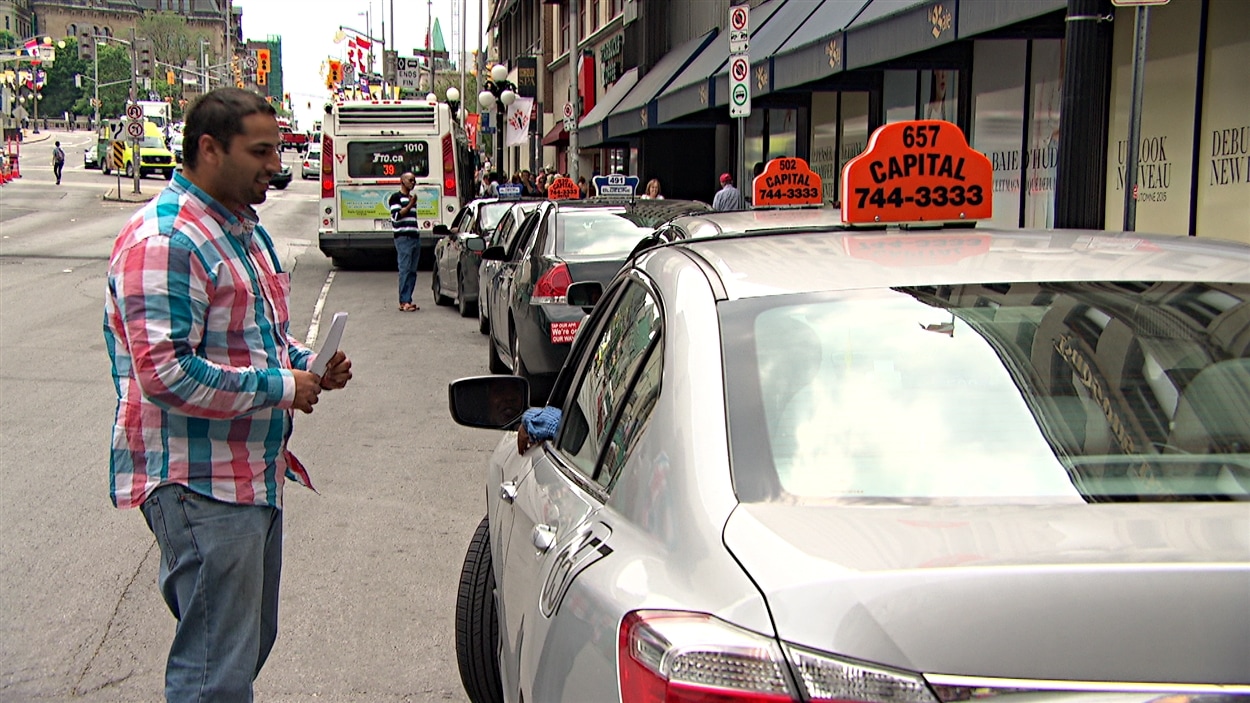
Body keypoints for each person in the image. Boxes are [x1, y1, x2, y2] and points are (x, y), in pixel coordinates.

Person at [103, 87, 354, 701]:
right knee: (215, 667)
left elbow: (254, 337)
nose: (277, 163)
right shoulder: (167, 241)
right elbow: (164, 373)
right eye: (261, 150)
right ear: (209, 149)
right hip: (200, 482)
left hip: (249, 476)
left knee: (240, 649)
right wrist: (281, 387)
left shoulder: (241, 231)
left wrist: (306, 364)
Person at [390, 171, 422, 311]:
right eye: (410, 180)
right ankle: (404, 301)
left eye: (414, 180)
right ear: (402, 181)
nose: (413, 182)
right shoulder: (396, 197)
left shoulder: (410, 198)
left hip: (414, 236)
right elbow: (397, 216)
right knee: (405, 269)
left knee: (412, 270)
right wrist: (410, 204)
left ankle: (408, 299)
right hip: (403, 238)